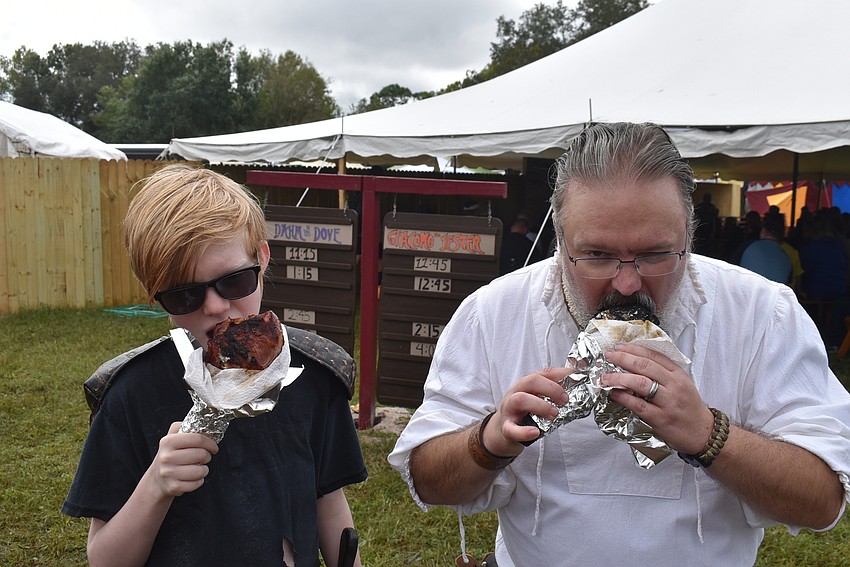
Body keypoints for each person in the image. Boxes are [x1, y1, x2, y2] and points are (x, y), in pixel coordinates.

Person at [389, 123, 850, 566]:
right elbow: (429, 480)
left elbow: (823, 501)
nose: (627, 284)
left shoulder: (761, 314)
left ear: (689, 237)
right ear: (560, 243)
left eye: (654, 254)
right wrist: (489, 441)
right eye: (597, 255)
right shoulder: (493, 313)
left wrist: (710, 436)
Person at [62, 165, 367, 567]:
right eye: (184, 296)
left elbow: (328, 503)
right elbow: (104, 559)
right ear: (156, 297)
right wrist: (156, 484)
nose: (216, 307)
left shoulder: (315, 378)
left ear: (262, 257)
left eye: (235, 281)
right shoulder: (129, 395)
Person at [739, 213, 792, 284]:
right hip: (775, 294)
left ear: (763, 231)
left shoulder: (747, 247)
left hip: (748, 291)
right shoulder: (787, 256)